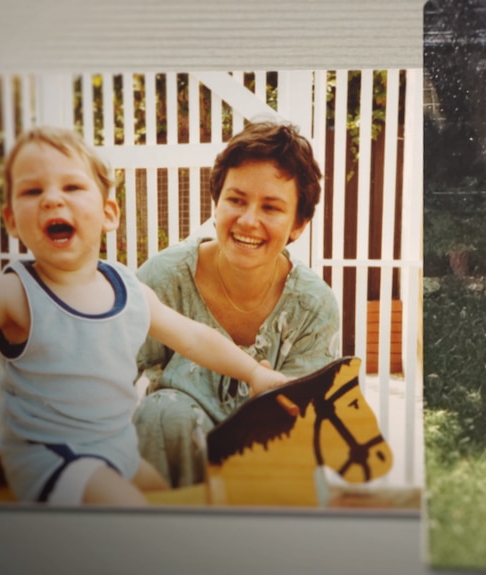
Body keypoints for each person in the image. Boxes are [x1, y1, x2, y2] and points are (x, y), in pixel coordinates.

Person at [0, 126, 289, 506]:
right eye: (33, 190)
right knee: (131, 515)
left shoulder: (127, 289)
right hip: (55, 456)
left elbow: (194, 337)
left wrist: (254, 372)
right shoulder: (15, 292)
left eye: (72, 187)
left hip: (114, 446)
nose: (52, 200)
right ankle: (12, 466)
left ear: (109, 213)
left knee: (168, 499)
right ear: (12, 220)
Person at [133, 121, 341, 487]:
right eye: (236, 200)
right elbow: (106, 371)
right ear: (216, 203)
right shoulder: (162, 279)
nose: (248, 221)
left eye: (272, 207)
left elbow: (303, 425)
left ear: (299, 224)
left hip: (268, 470)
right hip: (171, 470)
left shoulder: (313, 305)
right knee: (161, 412)